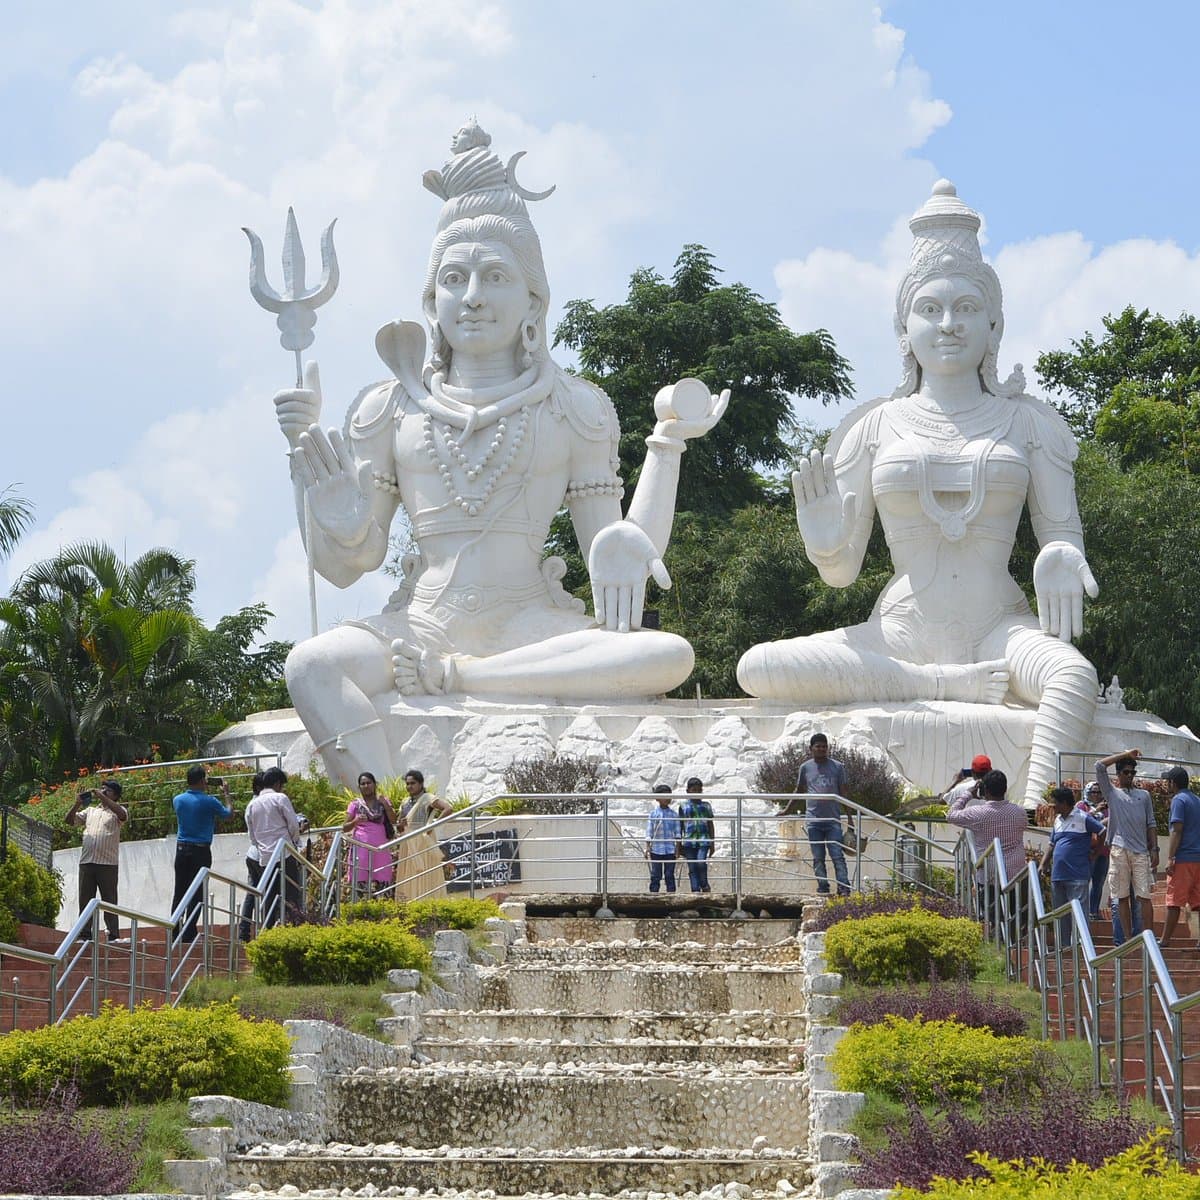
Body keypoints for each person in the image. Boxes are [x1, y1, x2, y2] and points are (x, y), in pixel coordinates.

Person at [271, 120, 728, 788]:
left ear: (533, 298)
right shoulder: (389, 407)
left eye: (495, 276)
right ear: (432, 300)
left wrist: (667, 448)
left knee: (666, 655)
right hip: (421, 624)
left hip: (529, 625)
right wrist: (319, 498)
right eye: (454, 278)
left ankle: (466, 678)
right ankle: (393, 814)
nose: (474, 297)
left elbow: (615, 560)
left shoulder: (575, 407)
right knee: (311, 665)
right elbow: (349, 566)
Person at [736, 181, 1100, 810]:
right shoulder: (874, 427)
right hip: (901, 633)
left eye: (966, 308)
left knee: (1073, 675)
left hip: (1000, 627)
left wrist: (1061, 557)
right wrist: (825, 544)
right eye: (930, 309)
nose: (949, 324)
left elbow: (1062, 535)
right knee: (758, 666)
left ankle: (1038, 813)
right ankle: (942, 682)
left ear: (994, 324)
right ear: (903, 328)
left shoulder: (1031, 424)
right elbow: (841, 573)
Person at [946, 769, 1029, 935]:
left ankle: (998, 940)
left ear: (985, 790)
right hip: (1016, 873)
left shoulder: (978, 813)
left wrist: (968, 794)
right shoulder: (1019, 812)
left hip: (989, 874)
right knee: (1016, 916)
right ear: (1005, 789)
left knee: (994, 918)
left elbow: (951, 815)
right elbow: (1024, 825)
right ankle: (1015, 943)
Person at [1096, 749, 1159, 946]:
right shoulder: (1112, 793)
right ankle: (1128, 940)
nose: (1130, 775)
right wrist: (1126, 754)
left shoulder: (1144, 795)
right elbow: (1099, 766)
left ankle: (1148, 938)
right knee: (1121, 896)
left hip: (1141, 851)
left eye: (1133, 772)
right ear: (1118, 774)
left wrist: (1155, 849)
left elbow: (1151, 823)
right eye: (1126, 772)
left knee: (1144, 896)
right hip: (1119, 849)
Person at [171, 765, 233, 944]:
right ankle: (189, 932)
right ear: (201, 780)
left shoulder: (178, 800)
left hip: (181, 849)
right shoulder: (210, 801)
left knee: (179, 891)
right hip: (201, 850)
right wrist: (226, 794)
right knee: (197, 892)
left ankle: (175, 931)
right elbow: (229, 815)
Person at [785, 733, 850, 897]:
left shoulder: (838, 767)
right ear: (811, 748)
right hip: (813, 821)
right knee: (818, 857)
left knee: (837, 855)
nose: (822, 749)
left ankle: (843, 887)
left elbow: (843, 793)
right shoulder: (805, 768)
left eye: (824, 746)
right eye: (818, 746)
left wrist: (850, 818)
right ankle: (823, 887)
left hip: (833, 820)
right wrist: (787, 810)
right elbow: (799, 790)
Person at [1039, 786, 1104, 947]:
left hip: (1078, 875)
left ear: (1064, 803)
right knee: (1060, 914)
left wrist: (1096, 853)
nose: (1053, 806)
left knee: (1079, 914)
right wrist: (1043, 864)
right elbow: (1052, 844)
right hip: (1058, 876)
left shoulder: (1083, 817)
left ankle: (1081, 947)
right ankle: (1064, 948)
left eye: (1055, 802)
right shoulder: (1057, 821)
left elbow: (1102, 831)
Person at [65, 781, 128, 943]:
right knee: (85, 900)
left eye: (108, 790)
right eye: (103, 789)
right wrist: (77, 804)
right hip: (87, 862)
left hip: (107, 863)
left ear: (116, 795)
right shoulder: (90, 811)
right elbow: (69, 821)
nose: (104, 792)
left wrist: (102, 797)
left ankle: (113, 935)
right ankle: (85, 935)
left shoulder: (118, 811)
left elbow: (122, 815)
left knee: (109, 900)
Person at [246, 766, 304, 925]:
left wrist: (261, 846)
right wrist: (294, 842)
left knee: (269, 897)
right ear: (278, 783)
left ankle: (268, 930)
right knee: (291, 895)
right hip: (285, 854)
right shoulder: (280, 798)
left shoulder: (252, 804)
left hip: (265, 857)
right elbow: (293, 825)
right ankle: (294, 927)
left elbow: (252, 834)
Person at [1157, 766, 1200, 949]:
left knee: (1174, 901)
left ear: (1172, 783)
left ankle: (1165, 940)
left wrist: (1170, 857)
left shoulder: (1178, 800)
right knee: (1198, 902)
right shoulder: (1197, 800)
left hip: (1184, 858)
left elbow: (1177, 829)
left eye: (1167, 781)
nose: (1166, 784)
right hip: (1198, 858)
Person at [395, 769, 453, 901]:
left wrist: (432, 825)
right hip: (408, 843)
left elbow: (448, 808)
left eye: (413, 783)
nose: (409, 786)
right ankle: (409, 903)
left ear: (421, 784)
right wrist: (401, 825)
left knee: (425, 872)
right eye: (407, 784)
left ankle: (426, 903)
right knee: (408, 874)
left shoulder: (427, 798)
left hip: (423, 842)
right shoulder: (405, 802)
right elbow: (399, 826)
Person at [344, 771, 401, 899]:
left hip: (380, 849)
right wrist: (355, 821)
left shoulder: (383, 801)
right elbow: (345, 827)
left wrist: (385, 805)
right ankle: (361, 907)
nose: (366, 786)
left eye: (369, 783)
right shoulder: (355, 805)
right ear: (359, 787)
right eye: (363, 784)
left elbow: (394, 821)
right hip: (361, 850)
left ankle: (383, 906)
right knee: (360, 879)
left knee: (382, 877)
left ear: (375, 784)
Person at [237, 772, 266, 943]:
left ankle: (244, 932)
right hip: (262, 854)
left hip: (253, 853)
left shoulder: (252, 804)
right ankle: (266, 930)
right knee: (268, 893)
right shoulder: (262, 804)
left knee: (252, 893)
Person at [678, 777, 715, 894]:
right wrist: (678, 845)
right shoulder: (683, 806)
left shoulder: (706, 806)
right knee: (692, 867)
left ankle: (704, 885)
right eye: (694, 790)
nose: (697, 793)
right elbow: (680, 825)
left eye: (699, 790)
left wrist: (712, 843)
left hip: (703, 840)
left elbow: (710, 824)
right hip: (689, 841)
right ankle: (695, 890)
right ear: (688, 791)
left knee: (700, 862)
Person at [1080, 781, 1110, 921]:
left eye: (1099, 792)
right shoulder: (1082, 806)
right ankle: (1082, 911)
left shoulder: (1107, 809)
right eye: (1094, 792)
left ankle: (1093, 911)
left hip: (1103, 850)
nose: (1097, 795)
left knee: (1099, 883)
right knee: (1084, 882)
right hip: (1088, 850)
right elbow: (1080, 821)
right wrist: (1096, 811)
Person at [645, 784, 681, 893]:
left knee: (669, 874)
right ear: (657, 798)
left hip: (670, 850)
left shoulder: (674, 815)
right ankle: (653, 894)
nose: (667, 798)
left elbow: (677, 833)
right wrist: (647, 847)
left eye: (669, 795)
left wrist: (677, 848)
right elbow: (649, 832)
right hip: (656, 849)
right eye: (664, 796)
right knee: (656, 874)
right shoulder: (653, 814)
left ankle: (671, 894)